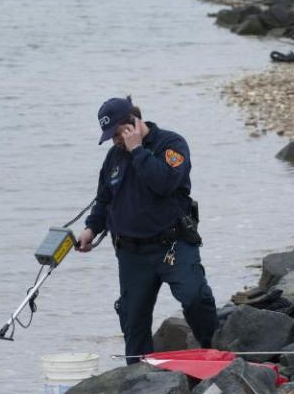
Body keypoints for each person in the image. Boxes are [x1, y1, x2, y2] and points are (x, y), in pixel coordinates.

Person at [76, 96, 217, 364]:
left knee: (196, 298)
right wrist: (90, 230)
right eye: (111, 136)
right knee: (133, 318)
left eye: (117, 133)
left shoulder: (171, 144)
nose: (116, 141)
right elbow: (104, 200)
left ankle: (213, 351)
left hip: (172, 244)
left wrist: (138, 150)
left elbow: (165, 183)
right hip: (131, 254)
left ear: (133, 122)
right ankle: (138, 377)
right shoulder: (114, 157)